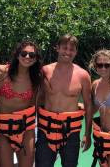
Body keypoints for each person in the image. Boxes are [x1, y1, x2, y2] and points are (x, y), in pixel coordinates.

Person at [35, 34, 92, 167]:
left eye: (72, 49)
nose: (68, 52)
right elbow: (36, 100)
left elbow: (88, 106)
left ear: (76, 52)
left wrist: (87, 134)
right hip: (45, 129)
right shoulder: (45, 71)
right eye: (64, 48)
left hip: (71, 131)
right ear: (57, 48)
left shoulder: (83, 75)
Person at [0, 41, 42, 167]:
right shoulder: (2, 72)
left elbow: (36, 104)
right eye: (24, 53)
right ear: (17, 55)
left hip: (25, 129)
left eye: (32, 55)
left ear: (36, 59)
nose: (27, 57)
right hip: (3, 130)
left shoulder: (36, 78)